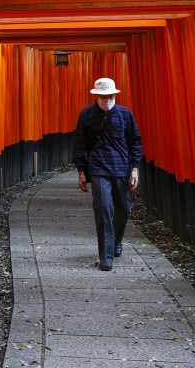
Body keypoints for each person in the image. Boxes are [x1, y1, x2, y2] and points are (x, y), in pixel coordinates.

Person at [72, 77, 143, 271]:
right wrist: (81, 171)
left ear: (115, 94)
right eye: (103, 95)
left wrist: (135, 168)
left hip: (121, 167)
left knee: (124, 208)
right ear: (96, 96)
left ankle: (117, 240)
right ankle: (106, 256)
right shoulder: (86, 115)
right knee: (103, 209)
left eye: (110, 95)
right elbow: (80, 143)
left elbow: (135, 142)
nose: (107, 98)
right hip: (98, 167)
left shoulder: (124, 114)